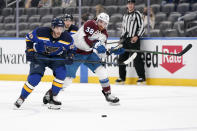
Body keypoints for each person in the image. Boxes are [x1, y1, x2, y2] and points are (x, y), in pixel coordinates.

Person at [62, 12, 125, 104]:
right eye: (100, 21)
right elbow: (84, 39)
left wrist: (110, 51)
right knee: (67, 79)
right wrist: (96, 44)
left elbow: (101, 54)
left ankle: (108, 94)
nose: (102, 25)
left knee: (102, 71)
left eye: (104, 23)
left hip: (88, 53)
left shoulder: (104, 35)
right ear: (97, 20)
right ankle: (51, 94)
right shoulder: (90, 23)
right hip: (75, 52)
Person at [14, 18, 75, 110]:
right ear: (52, 27)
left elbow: (72, 49)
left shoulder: (67, 38)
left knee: (61, 73)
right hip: (40, 56)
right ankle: (21, 98)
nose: (59, 31)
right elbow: (28, 38)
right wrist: (30, 50)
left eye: (61, 29)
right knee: (35, 78)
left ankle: (52, 97)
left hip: (56, 58)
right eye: (57, 28)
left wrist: (70, 56)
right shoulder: (41, 32)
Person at [115, 0, 146, 85]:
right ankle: (122, 78)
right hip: (125, 40)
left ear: (134, 5)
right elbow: (124, 29)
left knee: (137, 59)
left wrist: (137, 36)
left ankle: (142, 78)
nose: (130, 5)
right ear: (127, 5)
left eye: (132, 3)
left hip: (133, 40)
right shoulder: (125, 15)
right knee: (121, 58)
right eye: (129, 3)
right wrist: (121, 39)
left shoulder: (137, 14)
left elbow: (142, 27)